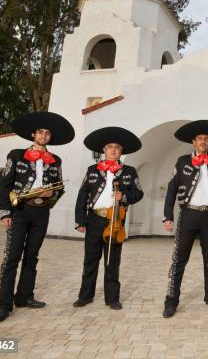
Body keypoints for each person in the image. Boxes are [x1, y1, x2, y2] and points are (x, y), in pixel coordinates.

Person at [0, 112, 74, 323]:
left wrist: (51, 194)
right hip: (19, 212)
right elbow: (4, 185)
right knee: (11, 258)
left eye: (47, 133)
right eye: (40, 132)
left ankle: (24, 296)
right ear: (33, 134)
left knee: (32, 257)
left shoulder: (56, 160)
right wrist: (5, 213)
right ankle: (3, 304)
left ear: (50, 137)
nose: (44, 136)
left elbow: (59, 187)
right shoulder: (16, 154)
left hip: (41, 212)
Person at [162, 120, 208, 318]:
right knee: (179, 259)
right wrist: (168, 216)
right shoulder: (182, 161)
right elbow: (171, 191)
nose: (203, 142)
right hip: (188, 214)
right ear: (194, 142)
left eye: (206, 139)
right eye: (200, 139)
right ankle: (171, 300)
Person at [73, 126, 143, 310]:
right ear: (103, 150)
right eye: (109, 147)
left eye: (117, 147)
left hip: (116, 221)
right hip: (94, 218)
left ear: (121, 151)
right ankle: (85, 296)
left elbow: (138, 193)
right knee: (90, 260)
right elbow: (82, 196)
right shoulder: (92, 170)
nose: (113, 150)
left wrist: (125, 196)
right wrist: (80, 220)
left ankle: (112, 298)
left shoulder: (129, 171)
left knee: (112, 260)